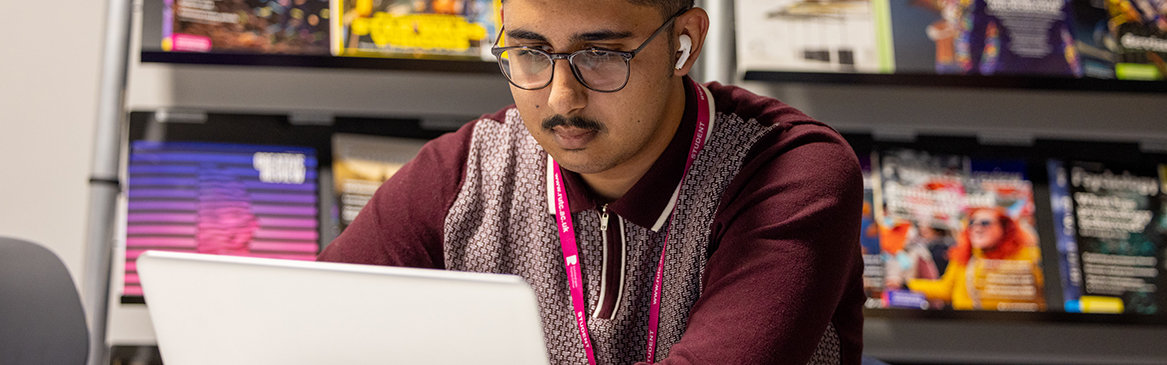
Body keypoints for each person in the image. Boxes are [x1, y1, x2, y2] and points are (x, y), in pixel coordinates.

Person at [318, 0, 866, 363]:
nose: (560, 99)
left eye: (601, 56)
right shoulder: (464, 173)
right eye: (531, 53)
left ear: (685, 42)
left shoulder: (791, 171)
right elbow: (307, 331)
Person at [908, 208, 1045, 311]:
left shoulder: (1028, 256)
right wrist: (908, 286)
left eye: (985, 223)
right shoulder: (965, 256)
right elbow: (946, 289)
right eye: (972, 223)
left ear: (1004, 227)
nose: (977, 228)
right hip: (968, 328)